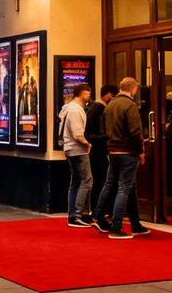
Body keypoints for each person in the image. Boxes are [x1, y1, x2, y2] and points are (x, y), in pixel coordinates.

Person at [94, 77, 148, 239]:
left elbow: (104, 129)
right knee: (125, 187)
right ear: (133, 89)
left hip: (112, 150)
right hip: (127, 151)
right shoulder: (130, 105)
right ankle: (116, 226)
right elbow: (135, 132)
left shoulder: (110, 105)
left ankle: (100, 216)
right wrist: (140, 151)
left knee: (112, 184)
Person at [59, 83, 93, 227]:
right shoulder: (75, 109)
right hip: (77, 149)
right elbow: (77, 133)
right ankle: (77, 214)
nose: (89, 95)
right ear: (81, 93)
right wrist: (87, 144)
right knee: (87, 181)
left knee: (76, 182)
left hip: (70, 148)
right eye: (87, 92)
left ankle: (73, 214)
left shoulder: (68, 108)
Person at [85, 84, 115, 214]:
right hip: (99, 151)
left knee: (101, 180)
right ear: (108, 94)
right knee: (101, 180)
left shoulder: (95, 109)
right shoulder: (98, 110)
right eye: (113, 96)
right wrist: (105, 137)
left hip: (98, 150)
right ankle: (99, 210)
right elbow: (90, 133)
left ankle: (99, 210)